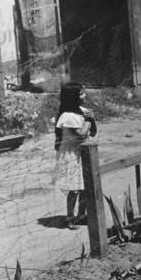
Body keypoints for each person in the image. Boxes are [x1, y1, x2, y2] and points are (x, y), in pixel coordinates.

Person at [53, 83, 97, 229]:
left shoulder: (83, 111)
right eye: (81, 94)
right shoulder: (67, 116)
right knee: (74, 188)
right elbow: (81, 134)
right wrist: (89, 120)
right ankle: (70, 217)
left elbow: (93, 132)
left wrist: (92, 120)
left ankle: (82, 215)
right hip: (72, 155)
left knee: (84, 187)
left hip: (82, 153)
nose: (84, 96)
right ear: (73, 98)